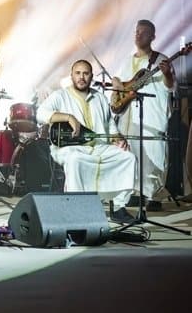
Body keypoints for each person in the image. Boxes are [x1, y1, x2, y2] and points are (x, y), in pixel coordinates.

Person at [36, 59, 136, 222]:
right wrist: (68, 117)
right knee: (75, 159)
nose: (81, 77)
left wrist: (117, 138)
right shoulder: (60, 95)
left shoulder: (100, 98)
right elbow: (40, 114)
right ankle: (76, 209)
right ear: (71, 75)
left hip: (99, 146)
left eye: (85, 73)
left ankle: (118, 207)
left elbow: (110, 126)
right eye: (78, 73)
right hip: (71, 147)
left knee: (127, 157)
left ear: (91, 76)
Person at [112, 19, 176, 210]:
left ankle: (154, 195)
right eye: (136, 31)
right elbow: (119, 85)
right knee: (132, 153)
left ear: (152, 37)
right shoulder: (127, 61)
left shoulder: (161, 59)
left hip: (151, 115)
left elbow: (171, 87)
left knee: (153, 153)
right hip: (129, 116)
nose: (138, 35)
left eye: (143, 32)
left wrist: (167, 74)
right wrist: (117, 87)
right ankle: (135, 192)